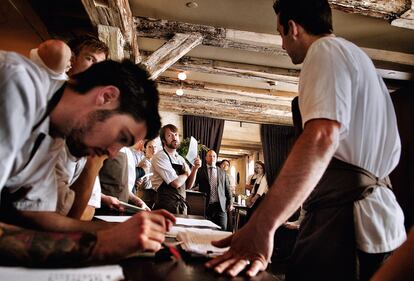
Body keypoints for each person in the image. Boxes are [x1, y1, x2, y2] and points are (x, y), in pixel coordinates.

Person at [205, 0, 406, 279]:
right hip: (378, 221)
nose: (282, 45)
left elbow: (321, 137)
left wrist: (263, 225)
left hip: (348, 221)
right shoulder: (358, 58)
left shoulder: (324, 51)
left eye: (280, 34)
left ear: (293, 28)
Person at [0, 50, 175, 266]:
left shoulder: (54, 134)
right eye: (121, 137)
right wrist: (99, 243)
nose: (112, 153)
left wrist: (122, 231)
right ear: (106, 97)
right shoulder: (15, 85)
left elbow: (39, 217)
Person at [151, 124, 201, 214]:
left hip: (181, 207)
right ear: (163, 140)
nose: (174, 138)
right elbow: (176, 183)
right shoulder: (160, 156)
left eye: (176, 135)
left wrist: (194, 169)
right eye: (170, 135)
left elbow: (188, 186)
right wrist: (186, 173)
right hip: (165, 207)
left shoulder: (180, 159)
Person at [195, 150, 233, 230]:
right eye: (210, 156)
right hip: (206, 206)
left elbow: (227, 189)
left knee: (222, 230)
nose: (212, 158)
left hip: (220, 206)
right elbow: (193, 184)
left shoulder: (222, 172)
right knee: (205, 230)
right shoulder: (200, 171)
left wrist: (230, 202)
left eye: (214, 156)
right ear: (205, 158)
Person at [136, 139, 159, 208]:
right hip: (145, 197)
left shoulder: (156, 163)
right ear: (144, 149)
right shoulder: (144, 163)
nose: (153, 149)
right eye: (150, 147)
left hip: (155, 197)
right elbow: (140, 185)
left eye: (155, 147)